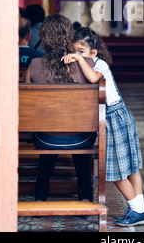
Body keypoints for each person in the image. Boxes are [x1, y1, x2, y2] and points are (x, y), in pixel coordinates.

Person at [62, 27, 144, 227]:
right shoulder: (88, 63)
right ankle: (139, 210)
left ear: (94, 53)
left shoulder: (99, 65)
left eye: (81, 52)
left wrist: (80, 60)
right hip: (119, 115)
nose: (77, 56)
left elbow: (93, 78)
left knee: (119, 170)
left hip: (114, 118)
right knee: (130, 168)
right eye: (74, 51)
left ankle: (138, 210)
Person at [25, 15, 97, 202]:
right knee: (78, 129)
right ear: (69, 36)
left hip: (44, 138)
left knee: (48, 127)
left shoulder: (34, 65)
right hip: (82, 137)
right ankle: (85, 197)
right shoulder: (88, 64)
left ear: (44, 38)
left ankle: (40, 196)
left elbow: (28, 106)